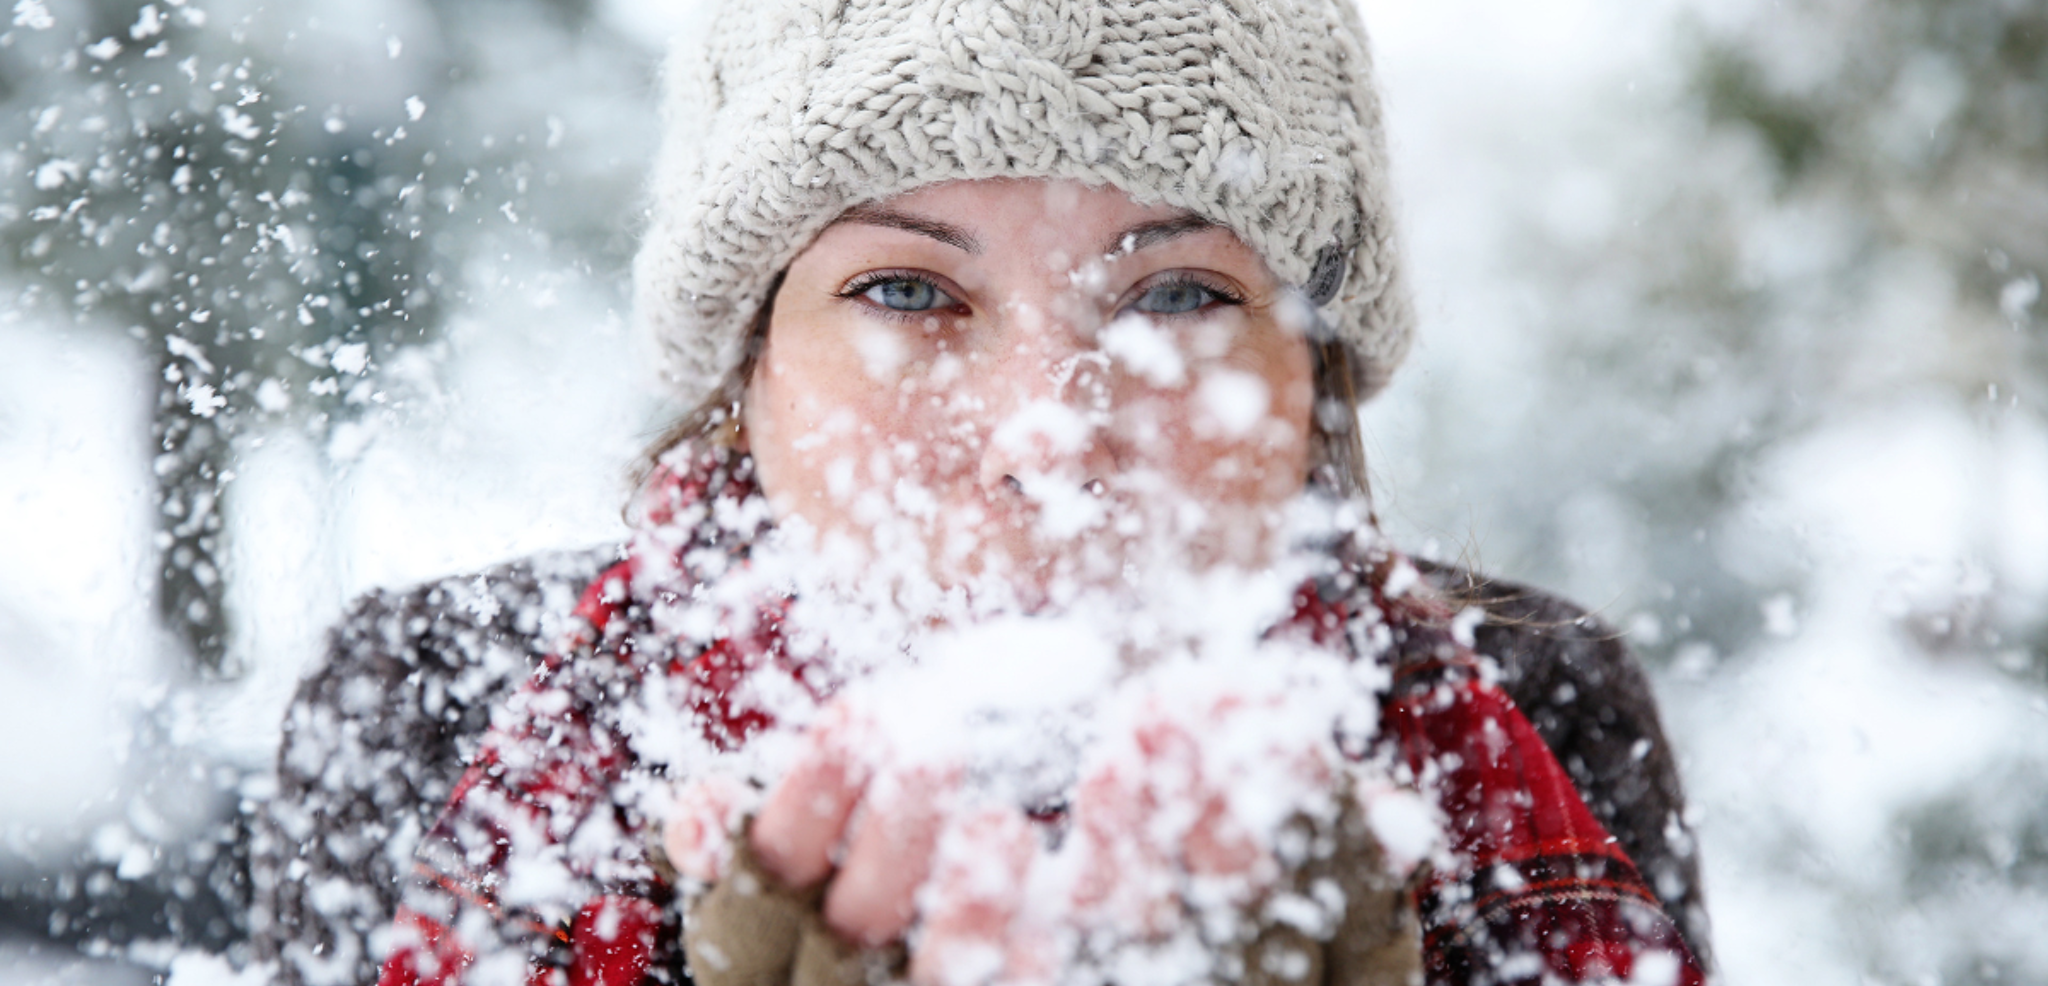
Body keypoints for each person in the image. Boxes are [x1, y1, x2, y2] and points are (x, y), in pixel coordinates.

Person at [248, 1, 1713, 985]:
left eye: (1177, 295)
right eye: (907, 289)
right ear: (752, 364)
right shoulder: (435, 705)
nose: (1046, 438)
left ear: (1309, 380)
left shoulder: (1542, 713)